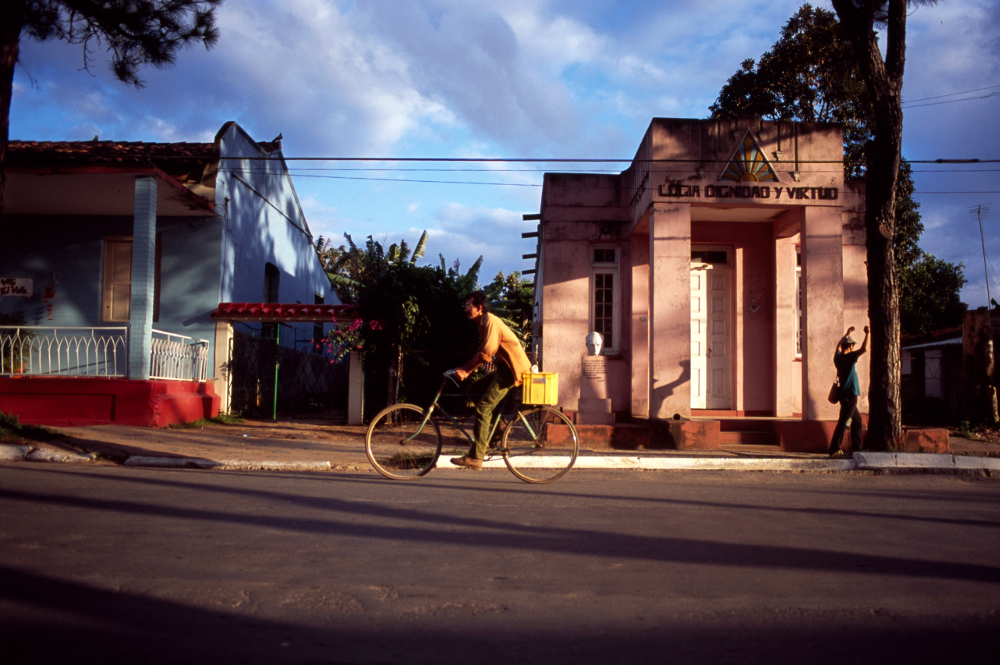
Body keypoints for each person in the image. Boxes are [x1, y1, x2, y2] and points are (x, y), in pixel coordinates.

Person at [450, 290, 532, 470]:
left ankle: (476, 456)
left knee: (483, 408)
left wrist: (466, 369)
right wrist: (466, 369)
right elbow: (483, 353)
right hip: (504, 368)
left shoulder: (489, 321)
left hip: (513, 369)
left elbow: (487, 352)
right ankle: (499, 427)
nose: (465, 309)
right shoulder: (483, 324)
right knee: (473, 390)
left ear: (479, 308)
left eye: (468, 306)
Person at [829, 325, 869, 458]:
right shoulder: (850, 358)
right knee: (844, 421)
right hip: (851, 395)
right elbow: (864, 349)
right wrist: (868, 334)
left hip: (843, 395)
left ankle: (857, 449)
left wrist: (847, 334)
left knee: (857, 421)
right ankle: (834, 449)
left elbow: (838, 348)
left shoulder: (838, 358)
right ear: (851, 347)